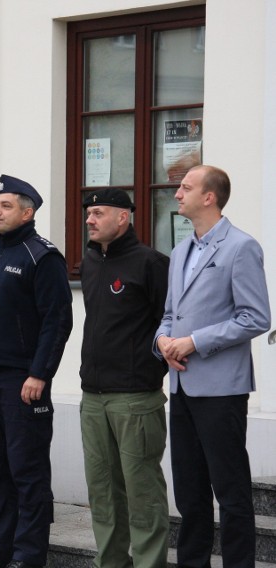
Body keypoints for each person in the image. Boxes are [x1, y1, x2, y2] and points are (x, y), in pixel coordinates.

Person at [153, 165, 270, 568]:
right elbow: (170, 314)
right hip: (181, 387)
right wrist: (164, 341)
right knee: (189, 493)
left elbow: (256, 317)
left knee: (232, 492)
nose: (177, 193)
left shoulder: (241, 247)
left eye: (186, 187)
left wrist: (195, 342)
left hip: (221, 390)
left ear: (209, 197)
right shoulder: (182, 249)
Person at [0, 175, 73, 568]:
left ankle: (28, 554)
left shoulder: (42, 256)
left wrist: (40, 373)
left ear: (28, 211)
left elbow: (57, 322)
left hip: (22, 381)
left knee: (27, 470)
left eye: (5, 206)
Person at [80, 188, 170, 567]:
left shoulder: (150, 263)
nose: (89, 219)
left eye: (98, 213)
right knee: (103, 492)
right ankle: (112, 562)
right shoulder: (89, 261)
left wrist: (150, 369)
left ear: (123, 217)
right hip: (93, 397)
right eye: (88, 212)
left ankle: (150, 562)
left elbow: (169, 323)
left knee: (142, 492)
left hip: (134, 398)